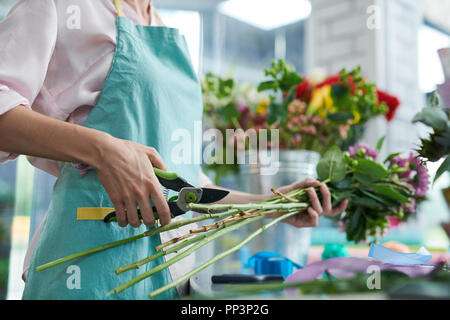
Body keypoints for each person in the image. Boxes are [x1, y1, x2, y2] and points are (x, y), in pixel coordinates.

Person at [0, 0, 348, 299]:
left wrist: (272, 205)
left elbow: (183, 184)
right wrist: (103, 149)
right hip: (86, 268)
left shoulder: (163, 28)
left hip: (169, 277)